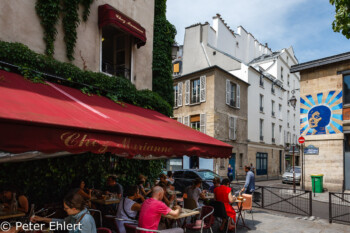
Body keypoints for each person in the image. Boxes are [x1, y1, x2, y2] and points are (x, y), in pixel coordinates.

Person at [31, 188, 97, 233]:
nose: (64, 209)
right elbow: (62, 222)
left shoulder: (86, 220)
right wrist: (42, 219)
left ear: (74, 208)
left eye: (66, 208)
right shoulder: (75, 215)